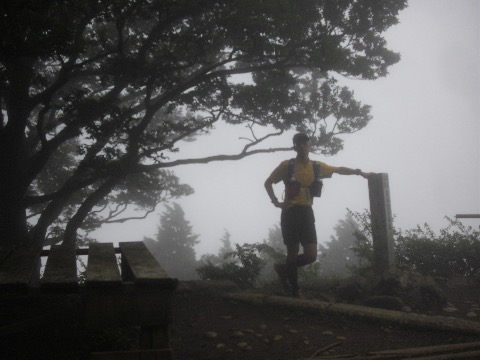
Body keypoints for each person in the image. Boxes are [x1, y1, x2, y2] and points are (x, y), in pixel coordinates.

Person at [264, 132, 373, 298]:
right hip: (290, 213)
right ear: (295, 146)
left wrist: (360, 173)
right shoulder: (288, 165)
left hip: (307, 212)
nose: (302, 145)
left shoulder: (316, 166)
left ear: (310, 145)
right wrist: (276, 202)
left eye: (305, 142)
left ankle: (283, 269)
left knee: (311, 255)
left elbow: (338, 170)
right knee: (292, 252)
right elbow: (268, 182)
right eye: (298, 143)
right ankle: (294, 289)